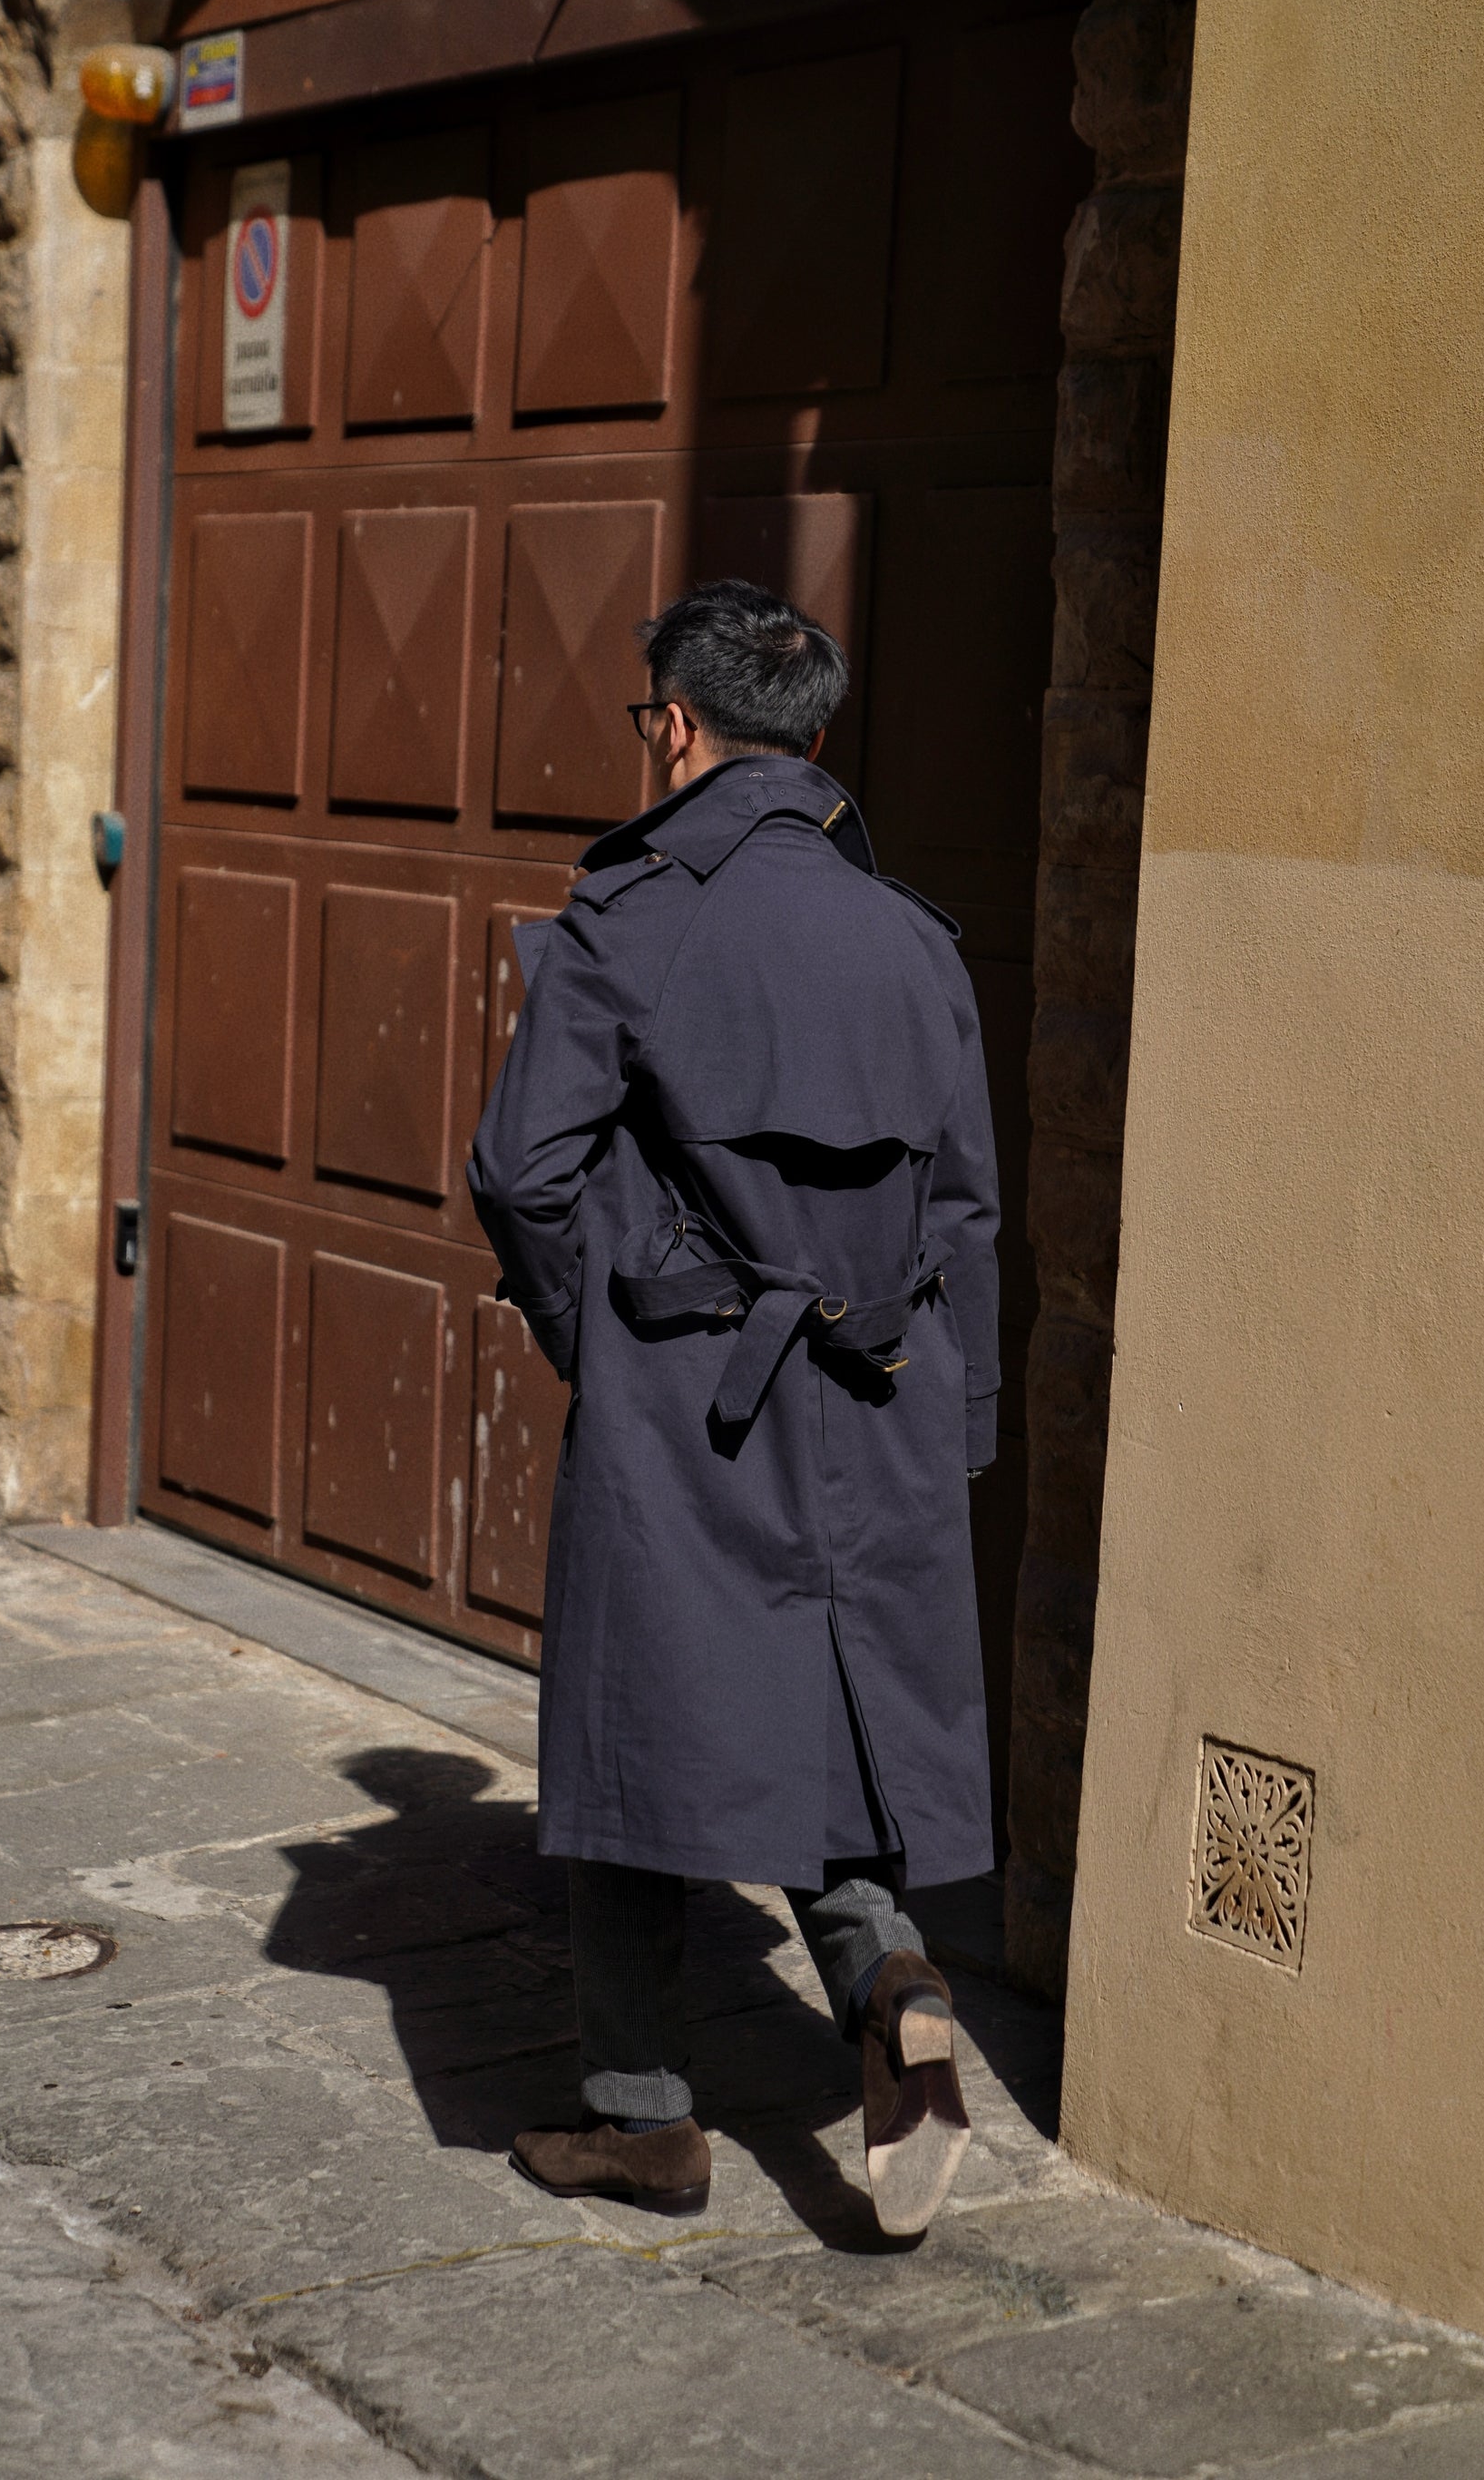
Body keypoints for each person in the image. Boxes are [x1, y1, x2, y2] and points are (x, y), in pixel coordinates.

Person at [467, 579, 1001, 2237]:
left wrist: (593, 1335)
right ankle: (890, 1982)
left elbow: (519, 1169)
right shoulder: (916, 940)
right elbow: (967, 1210)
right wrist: (960, 1417)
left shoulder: (628, 917)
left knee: (642, 1728)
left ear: (679, 730)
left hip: (688, 1386)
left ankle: (645, 2120)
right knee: (828, 1715)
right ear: (816, 742)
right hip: (880, 1389)